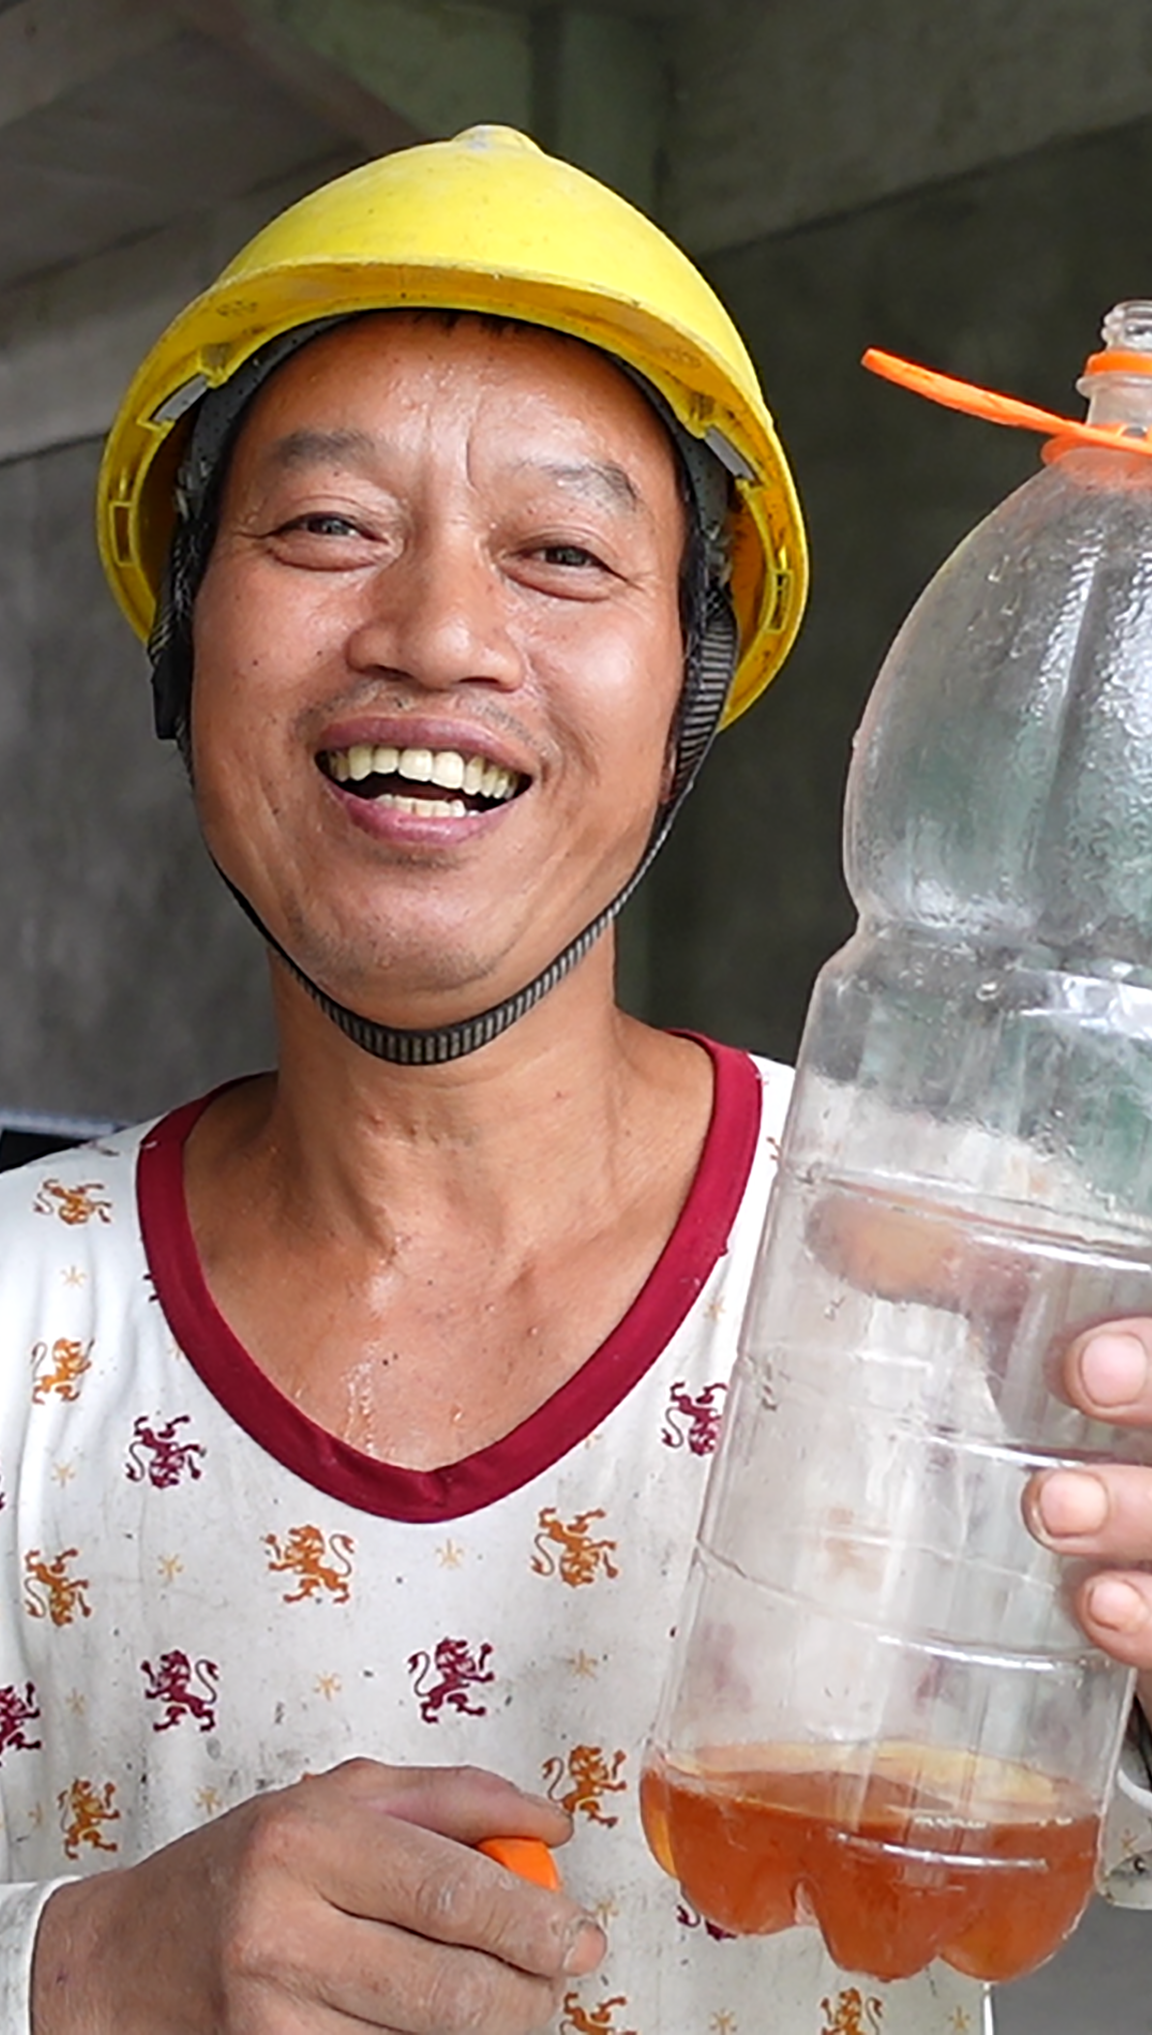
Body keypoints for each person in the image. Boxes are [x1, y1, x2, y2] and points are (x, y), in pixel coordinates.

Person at [2, 124, 1152, 2035]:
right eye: (323, 528)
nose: (441, 636)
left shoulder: (959, 1280)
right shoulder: (19, 1322)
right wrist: (73, 1964)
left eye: (561, 554)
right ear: (181, 637)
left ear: (694, 680)